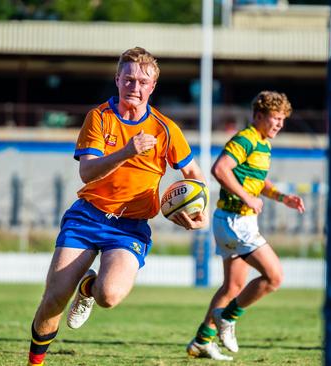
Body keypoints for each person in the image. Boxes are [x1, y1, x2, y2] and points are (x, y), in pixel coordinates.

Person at [27, 47, 208, 366]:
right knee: (54, 299)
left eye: (142, 81)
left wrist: (197, 211)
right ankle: (34, 362)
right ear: (117, 80)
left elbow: (193, 175)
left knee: (108, 296)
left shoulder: (165, 129)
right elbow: (87, 171)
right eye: (128, 79)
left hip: (130, 227)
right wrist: (127, 151)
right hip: (87, 217)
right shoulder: (98, 118)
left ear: (153, 87)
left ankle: (88, 288)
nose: (134, 87)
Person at [186, 91, 305, 360]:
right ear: (259, 116)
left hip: (233, 220)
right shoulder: (246, 138)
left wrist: (283, 197)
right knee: (274, 277)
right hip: (235, 220)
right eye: (275, 118)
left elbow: (257, 181)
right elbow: (220, 169)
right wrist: (246, 197)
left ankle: (202, 341)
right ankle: (227, 318)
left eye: (283, 120)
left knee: (232, 287)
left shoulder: (263, 143)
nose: (279, 124)